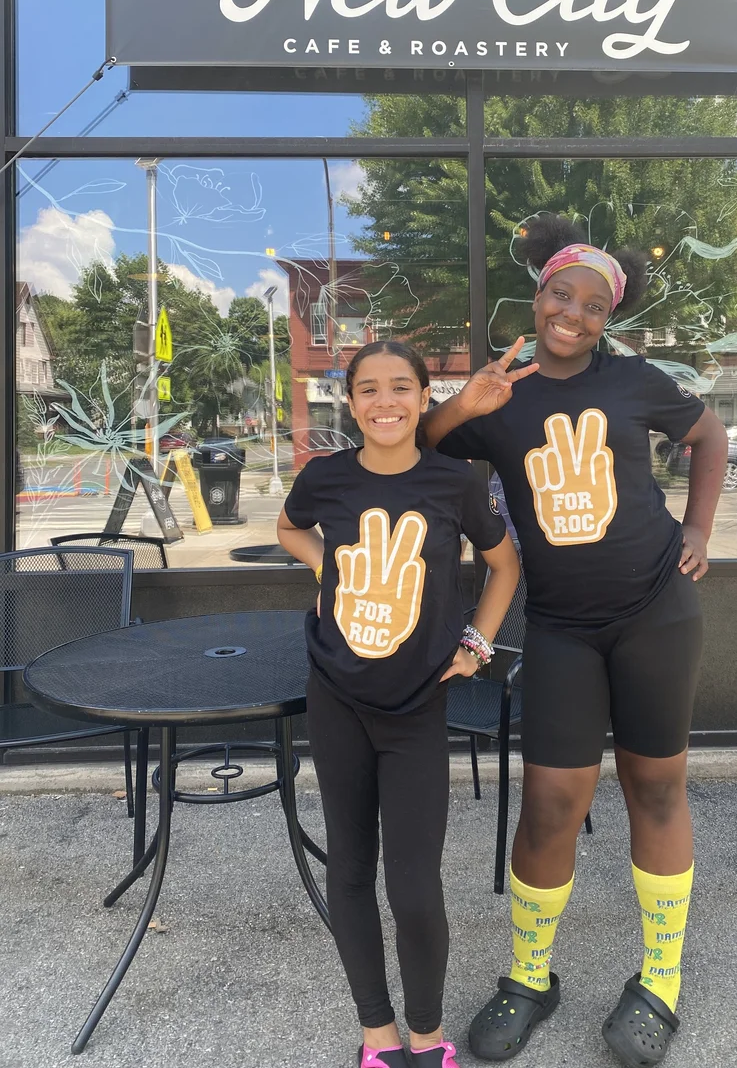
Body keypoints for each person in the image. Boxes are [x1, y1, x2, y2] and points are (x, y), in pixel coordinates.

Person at [422, 215, 729, 1068]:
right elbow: (421, 448)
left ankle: (660, 979)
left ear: (608, 317)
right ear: (539, 294)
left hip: (657, 611)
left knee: (655, 788)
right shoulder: (502, 394)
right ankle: (530, 976)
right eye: (563, 294)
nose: (574, 312)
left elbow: (709, 435)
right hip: (559, 624)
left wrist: (699, 527)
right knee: (552, 800)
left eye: (595, 304)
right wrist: (464, 403)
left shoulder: (635, 379)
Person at [277, 340, 521, 1068]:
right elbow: (289, 527)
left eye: (401, 387)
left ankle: (426, 1035)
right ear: (351, 402)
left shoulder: (454, 481)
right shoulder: (325, 477)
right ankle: (378, 1035)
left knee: (413, 886)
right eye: (369, 389)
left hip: (417, 705)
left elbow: (504, 564)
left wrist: (478, 642)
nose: (385, 401)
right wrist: (329, 568)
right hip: (337, 696)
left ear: (422, 397)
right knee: (350, 869)